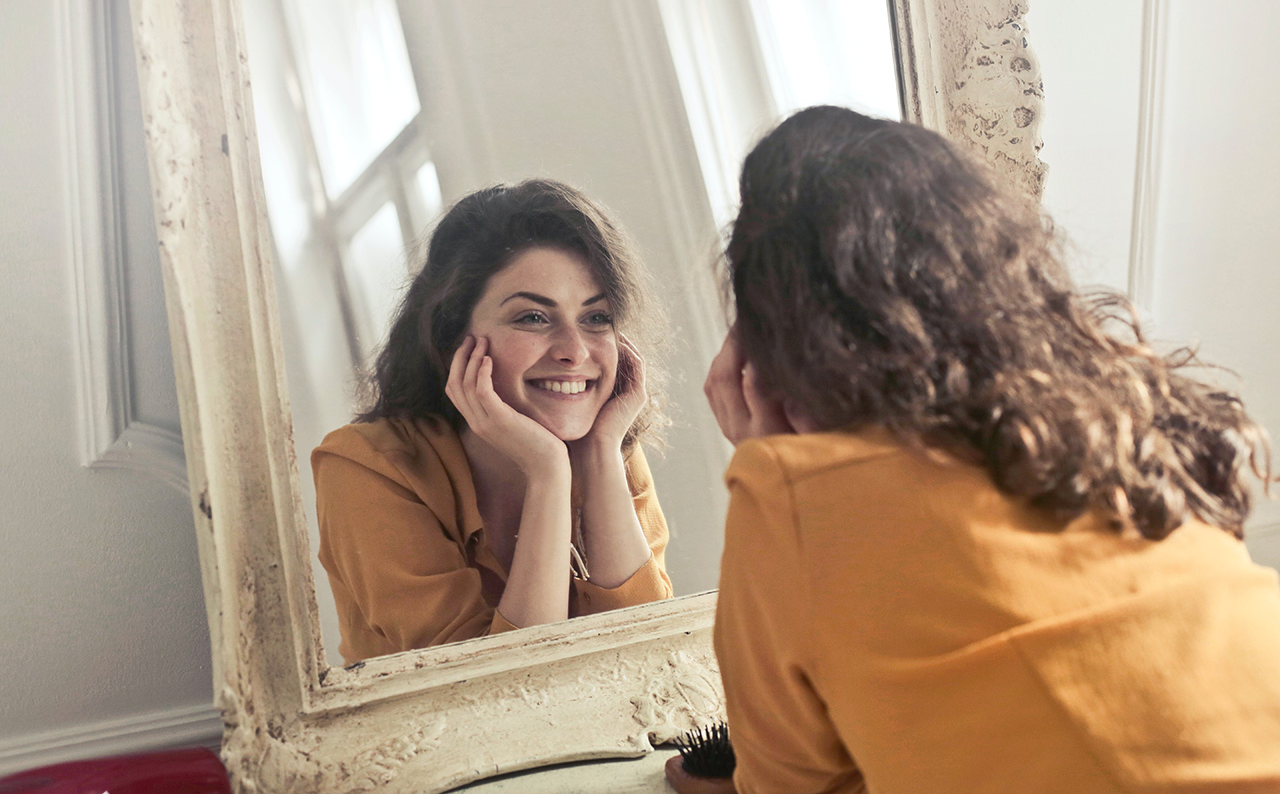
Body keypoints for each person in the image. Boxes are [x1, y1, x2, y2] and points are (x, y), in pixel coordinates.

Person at [680, 106, 1280, 793]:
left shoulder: (796, 497)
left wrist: (766, 458)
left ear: (768, 357)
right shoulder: (1126, 416)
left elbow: (790, 787)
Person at [313, 179, 674, 665]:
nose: (574, 351)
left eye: (596, 317)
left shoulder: (608, 447)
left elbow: (649, 659)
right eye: (531, 318)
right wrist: (547, 473)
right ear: (451, 338)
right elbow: (491, 691)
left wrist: (600, 455)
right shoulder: (366, 467)